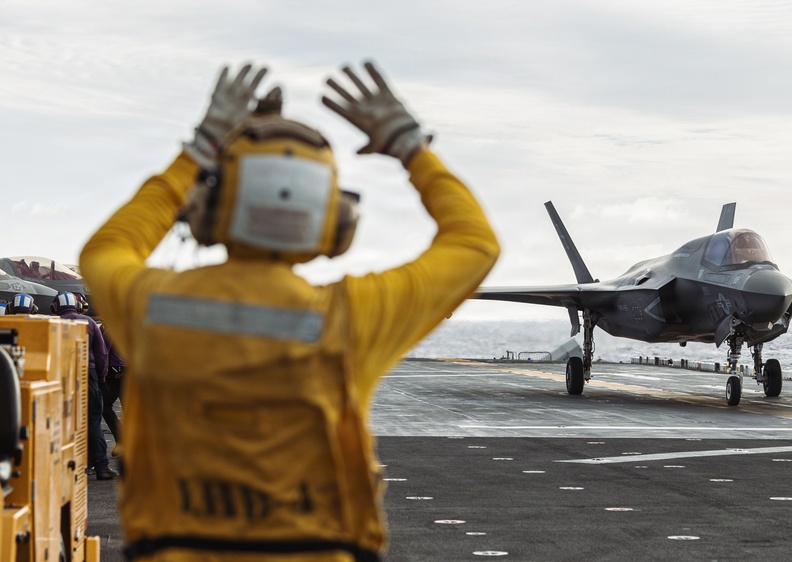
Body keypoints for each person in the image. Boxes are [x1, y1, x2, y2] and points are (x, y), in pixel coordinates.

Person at [79, 61, 499, 561]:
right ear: (335, 220)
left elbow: (104, 251)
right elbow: (475, 244)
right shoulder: (352, 317)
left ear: (210, 209)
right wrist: (409, 145)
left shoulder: (154, 306)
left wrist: (200, 146)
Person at [50, 291, 117, 479]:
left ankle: (73, 466)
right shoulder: (90, 323)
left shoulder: (52, 324)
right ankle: (102, 468)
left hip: (62, 376)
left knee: (65, 421)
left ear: (55, 307)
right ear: (78, 305)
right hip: (88, 374)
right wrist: (102, 378)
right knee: (93, 421)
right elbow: (102, 354)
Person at [101, 325, 126, 457]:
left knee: (104, 405)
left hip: (117, 372)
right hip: (130, 371)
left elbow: (103, 352)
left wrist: (102, 375)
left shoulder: (112, 328)